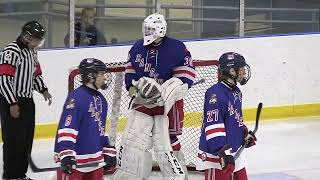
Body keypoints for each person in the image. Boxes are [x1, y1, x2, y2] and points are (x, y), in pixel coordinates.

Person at [112, 13, 196, 180]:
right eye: (146, 28)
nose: (147, 31)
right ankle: (131, 173)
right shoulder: (137, 47)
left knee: (167, 139)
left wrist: (168, 92)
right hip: (142, 101)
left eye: (151, 29)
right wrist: (132, 90)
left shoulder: (177, 48)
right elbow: (130, 72)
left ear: (161, 29)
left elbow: (185, 76)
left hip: (168, 104)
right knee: (134, 138)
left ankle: (178, 175)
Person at [0, 20, 52, 180]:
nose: (38, 43)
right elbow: (3, 79)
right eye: (37, 39)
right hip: (12, 101)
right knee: (13, 140)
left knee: (26, 140)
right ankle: (10, 176)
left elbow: (35, 74)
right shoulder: (11, 51)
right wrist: (12, 103)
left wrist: (43, 90)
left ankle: (20, 174)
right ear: (28, 37)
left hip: (28, 101)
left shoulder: (32, 52)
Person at [196, 52, 257, 180]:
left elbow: (233, 120)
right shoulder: (214, 93)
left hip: (233, 151)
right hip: (217, 156)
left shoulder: (236, 92)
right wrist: (222, 151)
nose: (244, 73)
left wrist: (243, 133)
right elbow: (213, 125)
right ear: (231, 71)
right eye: (240, 70)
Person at [53, 58, 116, 180]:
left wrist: (107, 148)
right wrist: (66, 152)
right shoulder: (76, 98)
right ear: (91, 76)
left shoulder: (101, 99)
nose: (105, 77)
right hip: (75, 162)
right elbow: (67, 127)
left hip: (95, 161)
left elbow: (100, 128)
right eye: (101, 74)